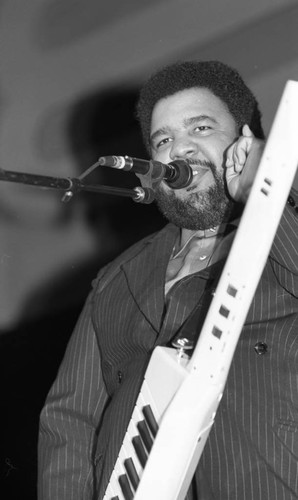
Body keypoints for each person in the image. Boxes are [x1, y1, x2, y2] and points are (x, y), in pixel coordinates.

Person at [38, 61, 298, 499]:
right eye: (164, 140)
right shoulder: (116, 279)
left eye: (200, 128)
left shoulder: (285, 227)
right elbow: (70, 423)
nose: (180, 150)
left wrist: (264, 195)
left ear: (246, 140)